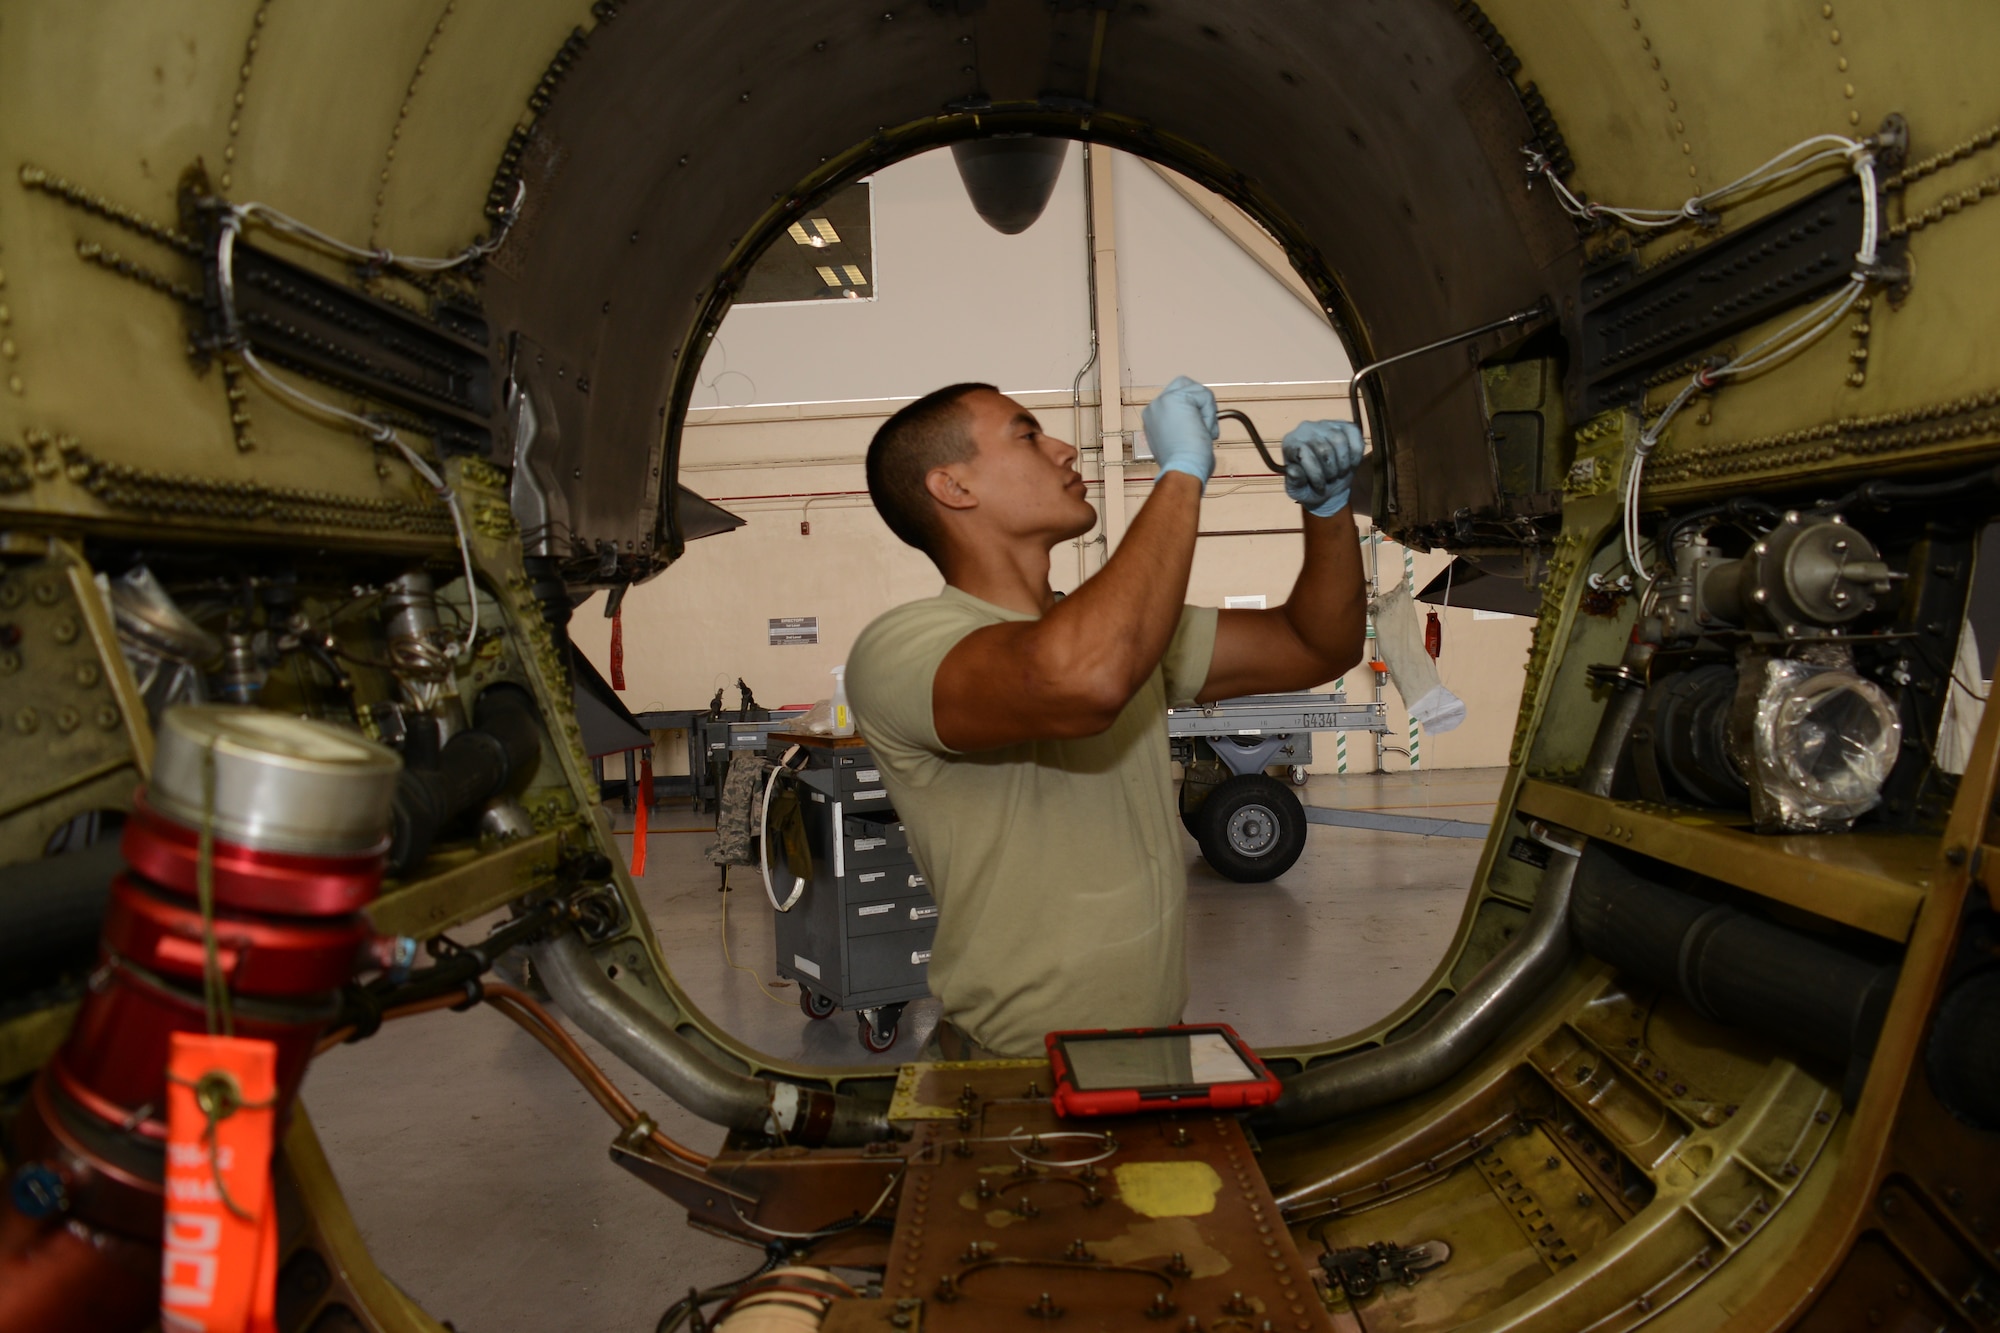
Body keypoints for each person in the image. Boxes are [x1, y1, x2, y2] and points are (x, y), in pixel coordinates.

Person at [845, 376, 1367, 1058]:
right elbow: (1082, 680)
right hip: (1016, 1067)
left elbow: (1317, 644)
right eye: (1028, 435)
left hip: (1156, 1042)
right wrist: (1181, 474)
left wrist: (1328, 509)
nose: (1064, 450)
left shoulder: (1123, 635)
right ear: (954, 487)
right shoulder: (903, 647)